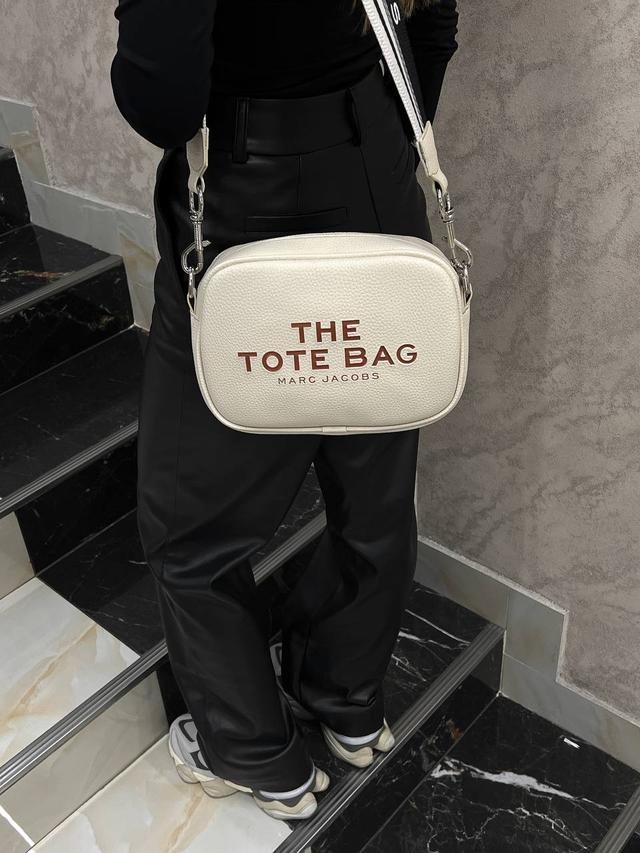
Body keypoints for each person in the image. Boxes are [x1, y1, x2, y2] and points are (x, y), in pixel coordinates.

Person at [110, 0, 459, 822]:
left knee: (191, 529)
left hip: (246, 192)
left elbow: (163, 98)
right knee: (373, 489)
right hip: (375, 166)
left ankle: (257, 754)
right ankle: (346, 699)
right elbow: (431, 27)